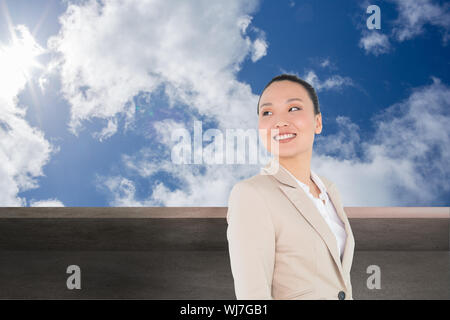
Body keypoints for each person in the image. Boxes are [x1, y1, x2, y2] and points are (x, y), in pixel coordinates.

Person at [226, 74, 355, 300]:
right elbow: (252, 296)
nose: (280, 121)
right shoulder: (251, 194)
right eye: (267, 112)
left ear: (318, 122)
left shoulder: (329, 190)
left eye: (293, 109)